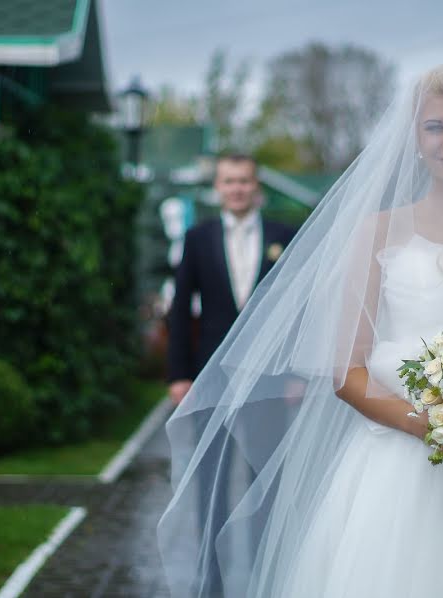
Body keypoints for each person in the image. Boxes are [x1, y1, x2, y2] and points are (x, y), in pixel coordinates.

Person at [158, 62, 443, 598]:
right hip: (402, 455)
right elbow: (347, 370)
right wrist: (434, 428)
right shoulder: (377, 231)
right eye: (436, 126)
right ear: (415, 138)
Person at [164, 152, 297, 597]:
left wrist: (298, 374)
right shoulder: (197, 238)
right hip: (212, 378)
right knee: (212, 485)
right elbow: (180, 310)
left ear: (256, 186)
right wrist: (180, 374)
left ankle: (266, 578)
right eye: (228, 181)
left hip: (271, 382)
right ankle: (212, 583)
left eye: (244, 181)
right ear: (217, 188)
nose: (237, 188)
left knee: (266, 481)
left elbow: (300, 310)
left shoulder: (285, 236)